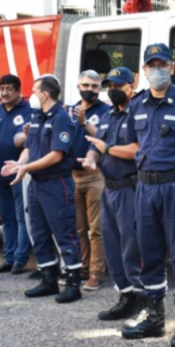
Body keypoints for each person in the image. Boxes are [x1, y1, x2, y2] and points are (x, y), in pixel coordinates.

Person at [121, 43, 175, 347]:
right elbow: (132, 145)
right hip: (144, 188)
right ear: (143, 70)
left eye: (162, 65)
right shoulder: (136, 104)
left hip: (174, 188)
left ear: (171, 67)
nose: (157, 70)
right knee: (149, 253)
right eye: (151, 65)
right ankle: (155, 318)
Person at [1, 75, 82, 304]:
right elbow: (29, 146)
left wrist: (26, 167)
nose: (31, 95)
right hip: (37, 184)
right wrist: (20, 163)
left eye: (34, 91)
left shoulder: (61, 118)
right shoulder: (36, 116)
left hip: (57, 183)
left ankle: (73, 283)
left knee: (65, 233)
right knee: (39, 232)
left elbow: (56, 155)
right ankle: (49, 280)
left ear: (45, 94)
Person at [77, 67, 144, 320]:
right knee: (113, 247)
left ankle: (142, 301)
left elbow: (136, 150)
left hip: (130, 188)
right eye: (110, 86)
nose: (113, 91)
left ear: (130, 85)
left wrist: (107, 148)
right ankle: (125, 297)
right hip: (109, 189)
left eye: (118, 86)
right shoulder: (107, 116)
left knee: (131, 247)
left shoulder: (138, 113)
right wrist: (92, 159)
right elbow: (98, 146)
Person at [0, 74, 32, 275]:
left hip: (19, 173)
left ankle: (20, 260)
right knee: (7, 218)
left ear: (18, 91)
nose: (4, 93)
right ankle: (8, 258)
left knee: (22, 218)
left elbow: (31, 141)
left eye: (9, 89)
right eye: (2, 88)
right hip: (0, 175)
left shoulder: (28, 110)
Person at [70, 70, 108, 291]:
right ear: (78, 87)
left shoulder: (106, 111)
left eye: (94, 86)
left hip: (96, 176)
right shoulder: (70, 110)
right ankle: (83, 269)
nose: (90, 90)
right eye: (86, 85)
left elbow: (104, 138)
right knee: (78, 228)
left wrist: (84, 122)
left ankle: (96, 273)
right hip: (73, 176)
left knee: (97, 229)